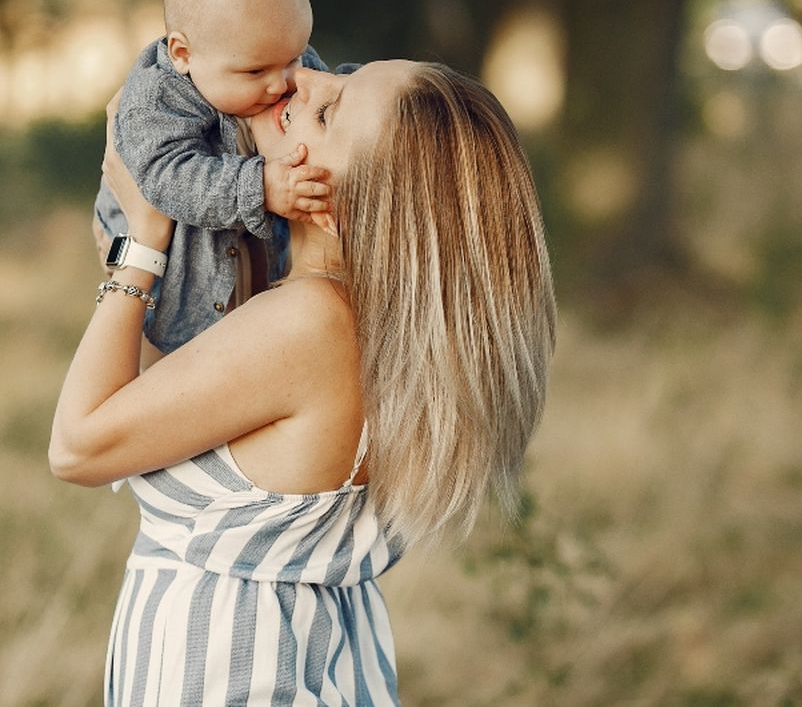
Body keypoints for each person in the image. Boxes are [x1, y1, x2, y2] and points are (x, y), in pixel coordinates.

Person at [52, 60, 557, 704]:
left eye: (328, 112)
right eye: (339, 74)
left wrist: (144, 240)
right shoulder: (343, 320)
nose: (303, 81)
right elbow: (151, 409)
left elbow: (78, 446)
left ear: (348, 209)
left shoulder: (312, 324)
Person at [93, 0, 339, 361]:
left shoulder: (271, 58)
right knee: (182, 365)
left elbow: (332, 91)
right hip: (179, 276)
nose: (282, 82)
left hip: (255, 257)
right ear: (183, 54)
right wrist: (260, 187)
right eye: (254, 72)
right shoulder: (154, 100)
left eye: (295, 57)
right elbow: (166, 176)